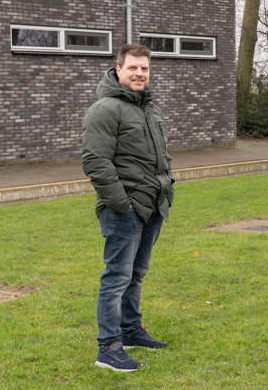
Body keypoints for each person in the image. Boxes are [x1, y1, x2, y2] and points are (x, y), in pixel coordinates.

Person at [82, 43, 174, 372]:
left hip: (153, 206)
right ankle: (108, 348)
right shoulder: (105, 108)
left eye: (144, 69)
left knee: (136, 275)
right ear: (119, 69)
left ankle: (131, 332)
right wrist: (122, 204)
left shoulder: (150, 108)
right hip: (125, 210)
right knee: (117, 278)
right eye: (133, 67)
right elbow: (95, 162)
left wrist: (166, 190)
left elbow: (162, 156)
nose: (139, 73)